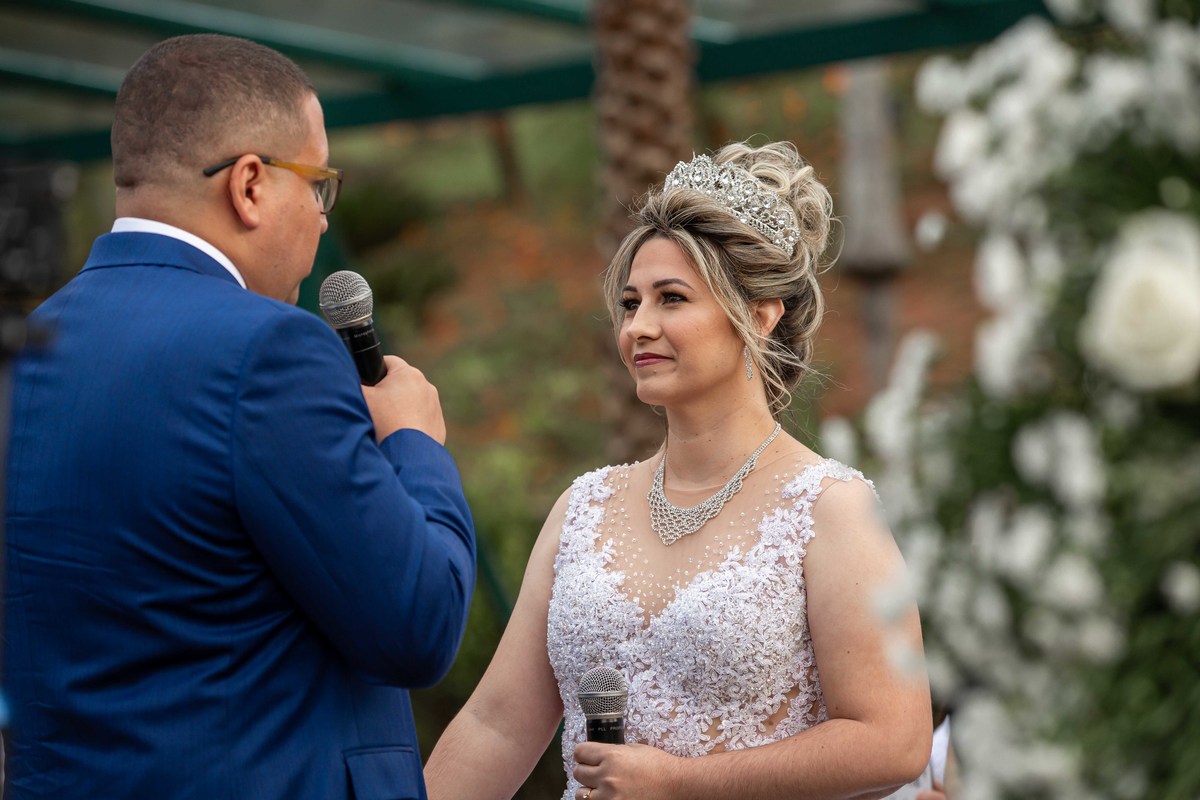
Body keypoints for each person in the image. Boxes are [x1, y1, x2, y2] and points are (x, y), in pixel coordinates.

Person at [2, 34, 475, 800]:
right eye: (317, 185)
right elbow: (416, 626)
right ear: (250, 185)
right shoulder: (269, 351)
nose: (323, 221)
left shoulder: (24, 357)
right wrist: (414, 440)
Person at [423, 141, 931, 800]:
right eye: (631, 304)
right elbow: (497, 725)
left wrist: (683, 784)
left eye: (672, 298)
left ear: (758, 311)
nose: (640, 327)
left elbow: (895, 738)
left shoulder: (830, 510)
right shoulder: (582, 509)